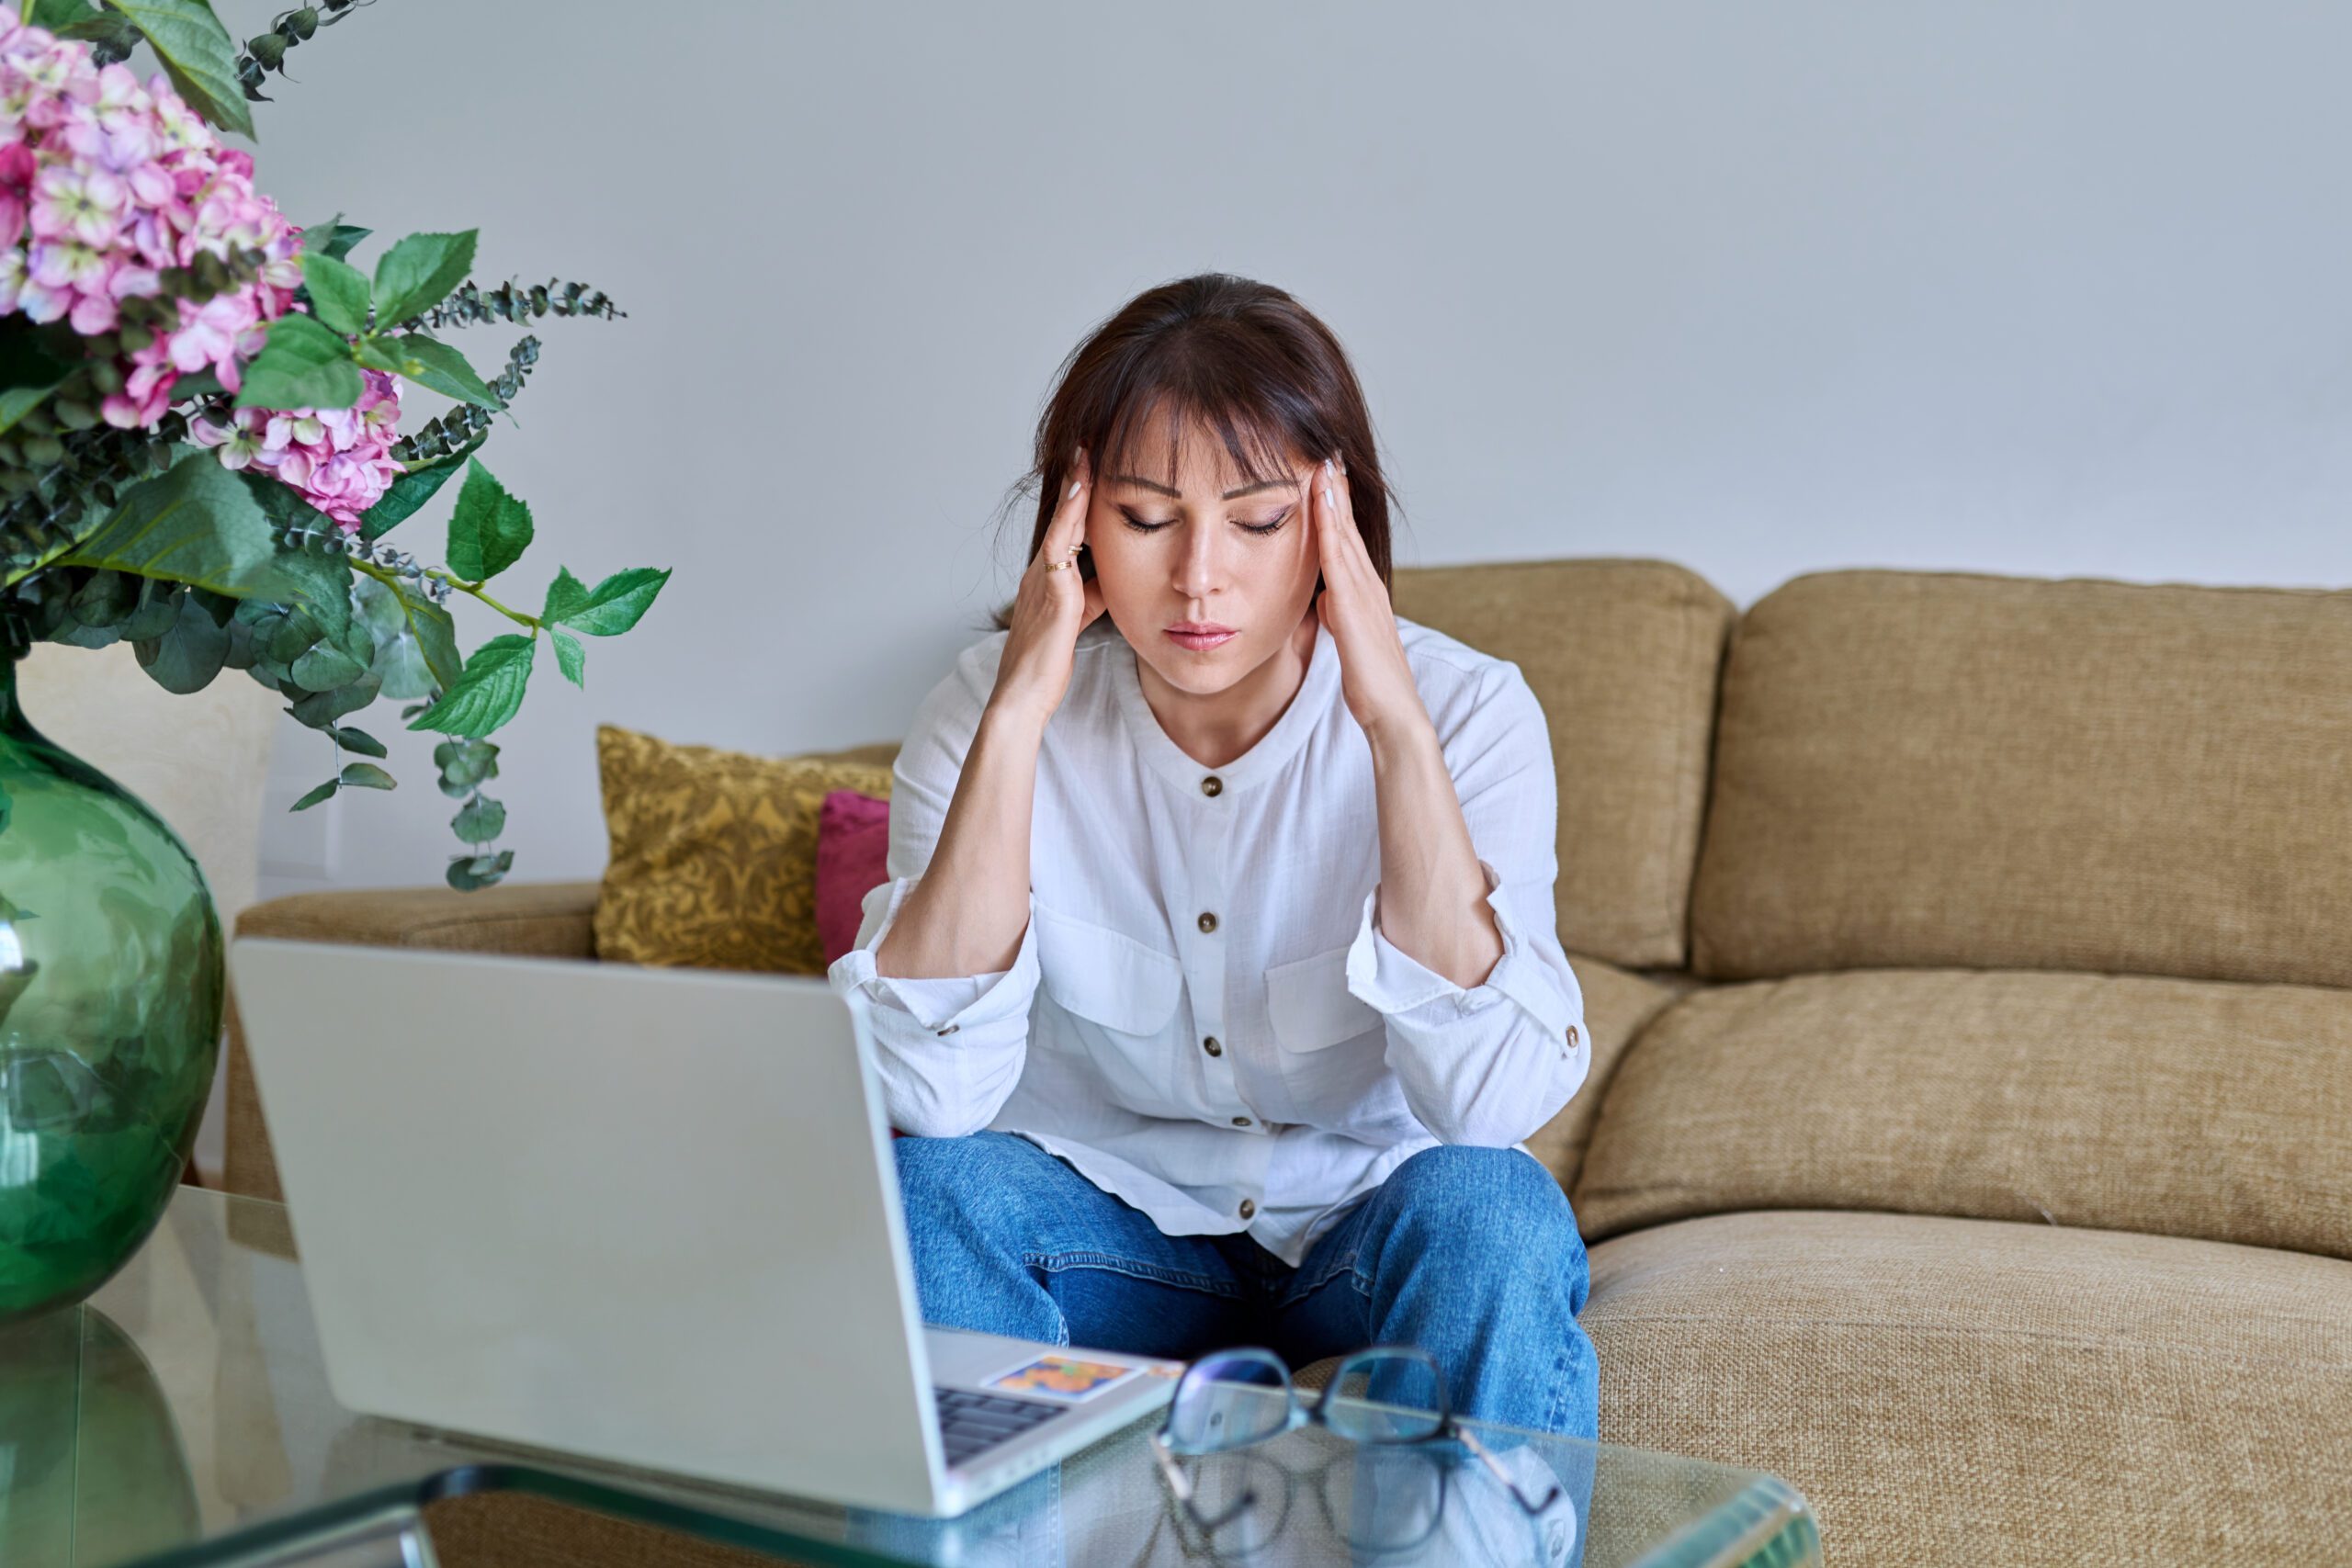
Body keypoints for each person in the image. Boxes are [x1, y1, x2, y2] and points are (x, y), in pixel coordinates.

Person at [826, 273, 1599, 1443]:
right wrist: (1018, 719)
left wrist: (1392, 724)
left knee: (1493, 1206)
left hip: (1356, 1229)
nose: (1199, 579)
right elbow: (932, 1096)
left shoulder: (1466, 711)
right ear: (1076, 520)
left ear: (1332, 518)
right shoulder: (985, 713)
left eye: (1256, 520)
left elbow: (1488, 1103)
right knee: (929, 1197)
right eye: (1144, 519)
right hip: (1110, 1236)